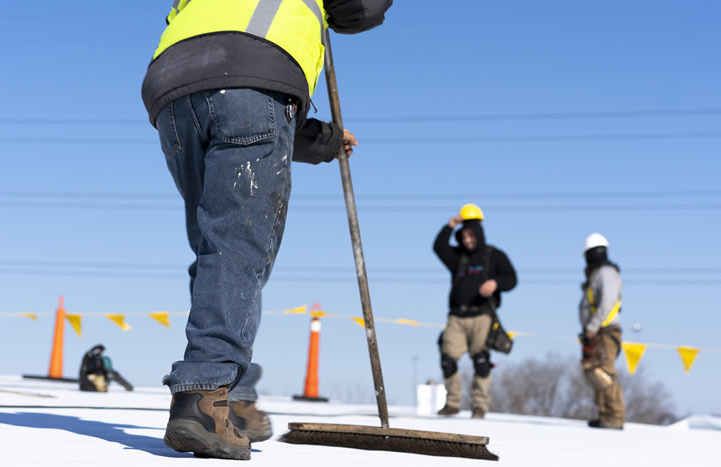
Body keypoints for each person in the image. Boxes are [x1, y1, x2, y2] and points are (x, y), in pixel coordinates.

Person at [141, 0, 392, 460]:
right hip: (252, 75)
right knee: (236, 248)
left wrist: (321, 140)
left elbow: (230, 85)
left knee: (216, 244)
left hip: (173, 84)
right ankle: (204, 394)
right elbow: (360, 9)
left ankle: (232, 395)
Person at [432, 204, 517, 419]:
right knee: (447, 358)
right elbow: (439, 247)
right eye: (464, 237)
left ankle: (479, 406)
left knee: (481, 359)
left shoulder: (494, 255)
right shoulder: (458, 257)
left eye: (471, 236)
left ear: (478, 234)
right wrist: (450, 226)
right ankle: (452, 403)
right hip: (457, 316)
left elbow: (512, 278)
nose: (468, 241)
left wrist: (496, 282)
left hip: (483, 315)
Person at [578, 233, 626, 429]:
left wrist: (592, 326)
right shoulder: (597, 274)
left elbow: (607, 302)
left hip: (605, 331)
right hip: (596, 332)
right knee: (593, 372)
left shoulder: (606, 272)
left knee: (604, 372)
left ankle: (614, 417)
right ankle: (605, 414)